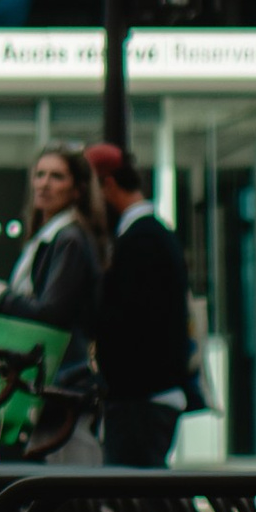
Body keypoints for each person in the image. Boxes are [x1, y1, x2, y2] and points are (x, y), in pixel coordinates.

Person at [84, 139, 199, 468]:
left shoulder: (141, 238)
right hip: (148, 396)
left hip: (141, 400)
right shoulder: (152, 233)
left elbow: (135, 323)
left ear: (107, 185)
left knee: (140, 510)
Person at [0, 144, 110, 357]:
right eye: (39, 175)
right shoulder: (48, 237)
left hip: (62, 370)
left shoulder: (69, 239)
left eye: (57, 177)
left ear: (78, 189)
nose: (44, 184)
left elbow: (50, 314)